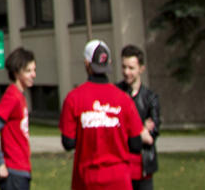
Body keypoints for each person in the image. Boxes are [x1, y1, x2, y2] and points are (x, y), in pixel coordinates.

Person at [60, 40, 144, 190]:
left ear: (86, 64)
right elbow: (136, 144)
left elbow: (68, 142)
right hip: (119, 180)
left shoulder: (74, 98)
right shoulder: (124, 99)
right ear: (109, 63)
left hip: (87, 180)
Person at [0, 48, 36, 190]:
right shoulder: (12, 96)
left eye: (33, 70)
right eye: (28, 71)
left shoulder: (20, 96)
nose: (33, 75)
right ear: (17, 73)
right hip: (14, 173)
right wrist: (0, 162)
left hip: (22, 171)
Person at [117, 45, 161, 190]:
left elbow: (151, 136)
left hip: (143, 170)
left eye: (131, 68)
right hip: (120, 168)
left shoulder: (150, 98)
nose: (126, 72)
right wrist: (141, 128)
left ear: (141, 69)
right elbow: (112, 130)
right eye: (124, 67)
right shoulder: (115, 93)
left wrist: (127, 129)